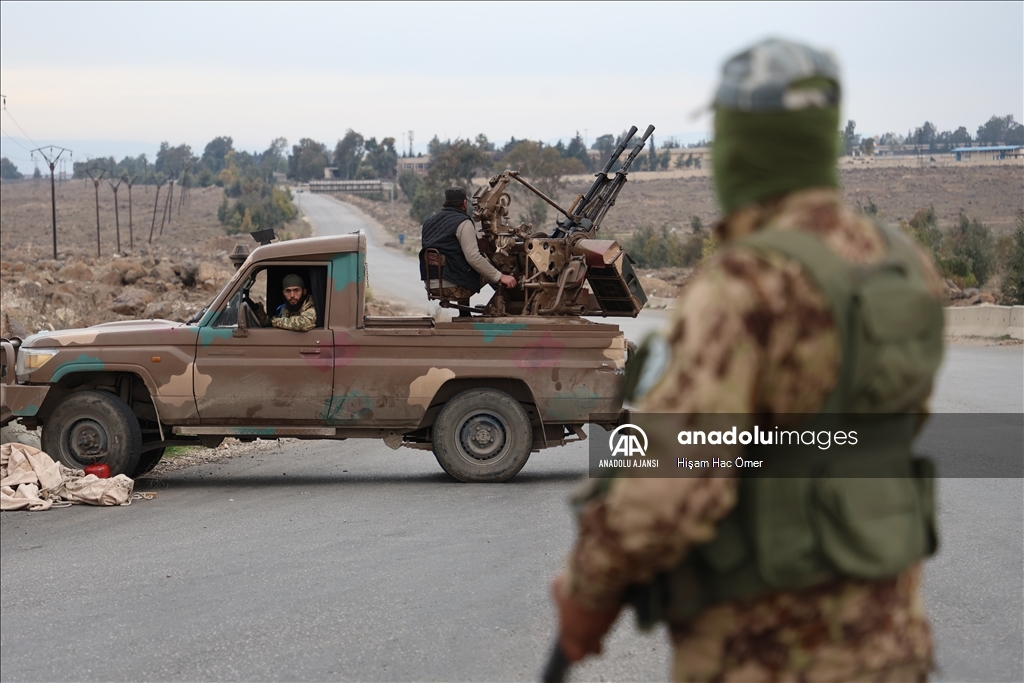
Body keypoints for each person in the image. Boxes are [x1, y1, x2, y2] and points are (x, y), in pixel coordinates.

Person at [550, 38, 945, 682]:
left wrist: (587, 592)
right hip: (890, 643)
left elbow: (669, 484)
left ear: (739, 144)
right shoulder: (901, 266)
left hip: (770, 654)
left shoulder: (746, 285)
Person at [419, 187, 517, 314]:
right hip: (455, 287)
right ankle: (502, 307)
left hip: (431, 284)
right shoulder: (463, 222)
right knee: (492, 265)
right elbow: (473, 258)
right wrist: (501, 277)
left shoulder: (429, 222)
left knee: (461, 264)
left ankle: (464, 313)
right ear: (464, 203)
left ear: (445, 202)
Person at [252, 273, 317, 331]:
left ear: (304, 292)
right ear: (283, 293)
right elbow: (271, 321)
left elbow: (304, 323)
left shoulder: (311, 307)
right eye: (288, 291)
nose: (292, 295)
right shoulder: (285, 308)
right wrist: (258, 311)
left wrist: (273, 322)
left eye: (296, 290)